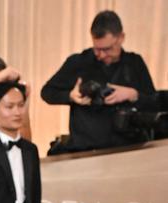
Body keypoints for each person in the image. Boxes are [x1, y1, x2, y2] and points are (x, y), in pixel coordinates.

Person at [41, 9, 156, 153]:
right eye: (97, 49)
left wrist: (133, 95)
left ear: (121, 38)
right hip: (86, 151)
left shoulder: (134, 63)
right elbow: (47, 92)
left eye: (107, 49)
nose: (101, 55)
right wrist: (70, 96)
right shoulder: (78, 62)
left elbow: (154, 102)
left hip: (128, 150)